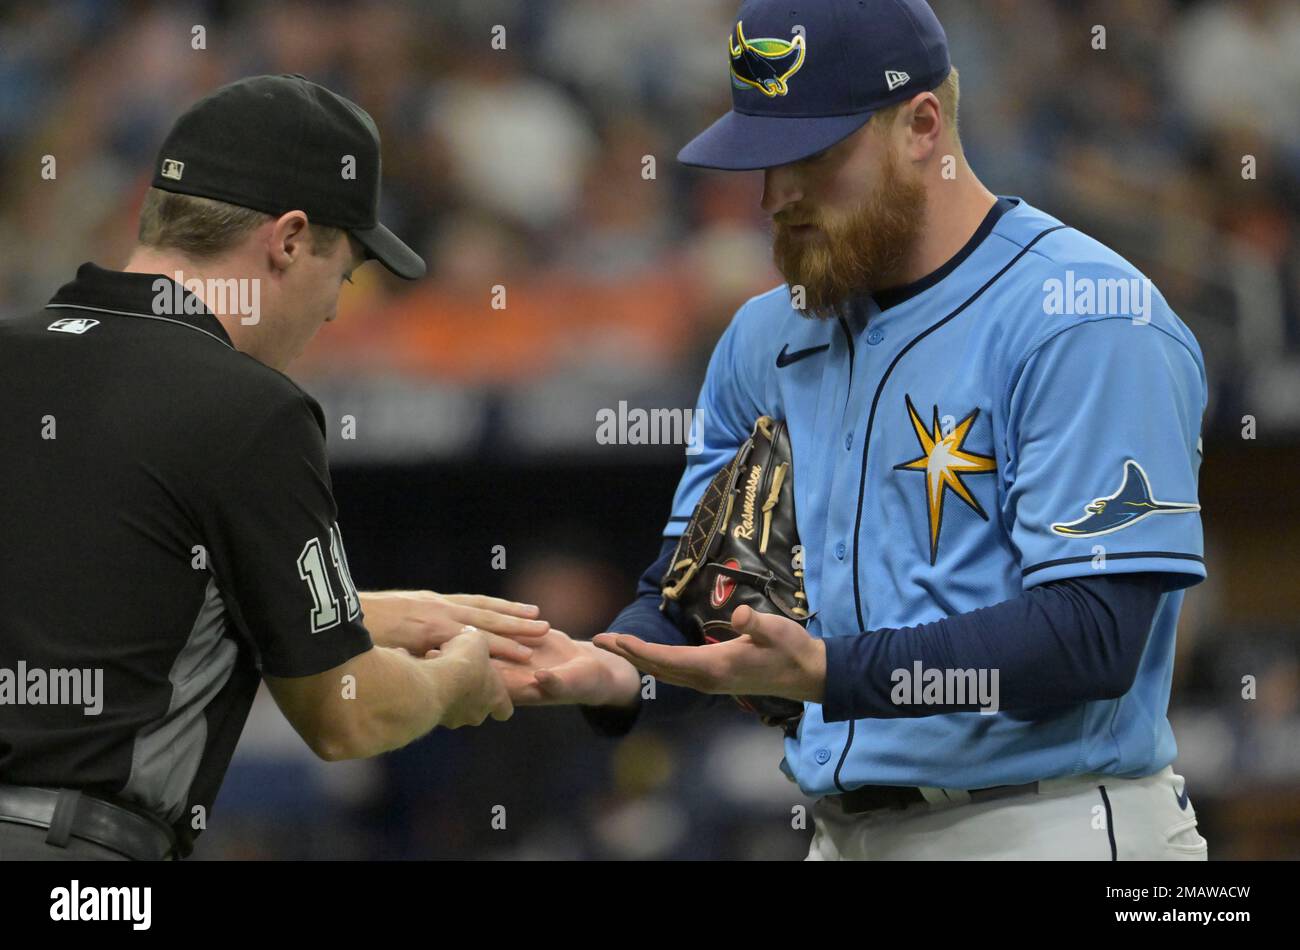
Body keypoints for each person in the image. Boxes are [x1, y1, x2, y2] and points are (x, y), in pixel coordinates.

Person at [496, 0, 1210, 860]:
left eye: (811, 155)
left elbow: (1093, 639)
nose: (775, 195)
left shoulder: (1085, 315)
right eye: (762, 158)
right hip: (840, 833)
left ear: (922, 126)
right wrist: (625, 668)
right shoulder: (763, 336)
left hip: (1051, 821)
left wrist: (834, 673)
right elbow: (699, 595)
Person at [0, 74, 548, 861]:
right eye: (346, 271)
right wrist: (451, 682)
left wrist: (359, 614)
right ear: (289, 239)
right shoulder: (251, 409)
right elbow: (346, 712)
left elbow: (108, 606)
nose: (333, 308)